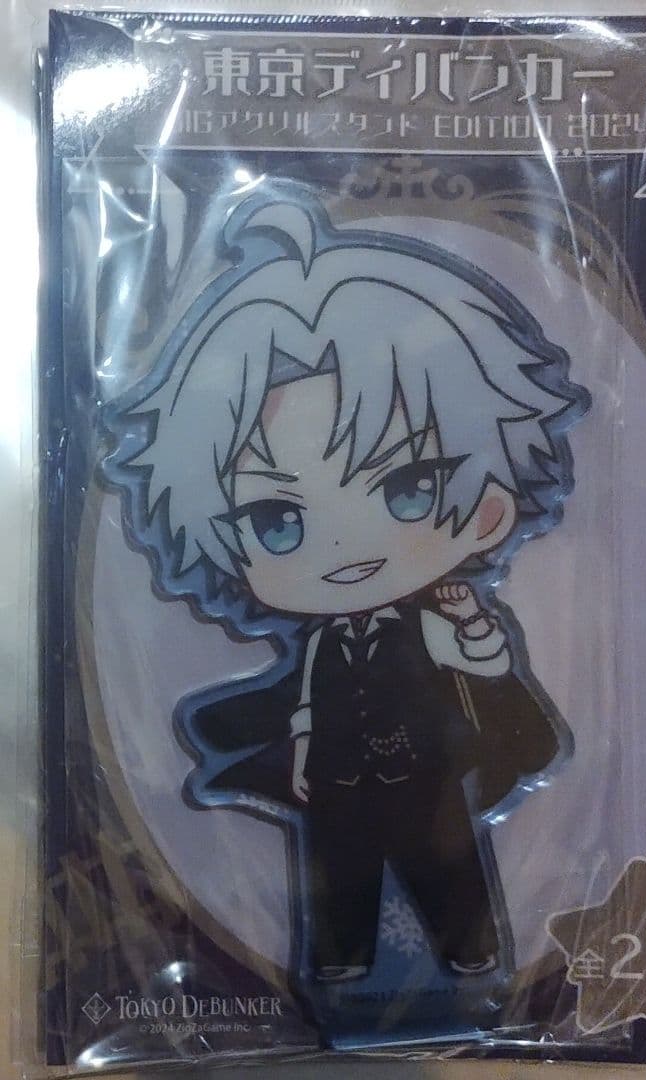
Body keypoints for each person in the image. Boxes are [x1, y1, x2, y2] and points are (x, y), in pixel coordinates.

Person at [103, 191, 589, 982]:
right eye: (277, 521)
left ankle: (469, 951)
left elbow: (484, 664)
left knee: (444, 864)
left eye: (407, 488)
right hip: (333, 783)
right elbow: (305, 699)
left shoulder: (429, 620)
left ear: (489, 507)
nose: (340, 547)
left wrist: (474, 627)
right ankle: (339, 962)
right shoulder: (320, 641)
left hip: (426, 778)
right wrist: (299, 752)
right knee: (337, 874)